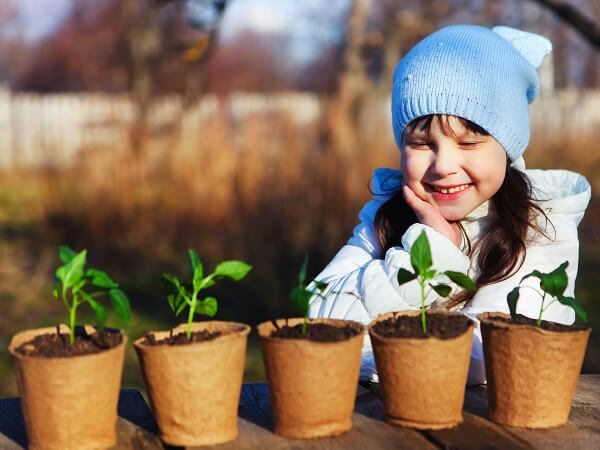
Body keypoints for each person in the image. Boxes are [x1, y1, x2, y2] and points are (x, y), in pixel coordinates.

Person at [308, 24, 591, 385]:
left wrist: (434, 264)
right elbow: (315, 322)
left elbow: (487, 359)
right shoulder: (385, 216)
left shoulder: (542, 228)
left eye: (468, 143)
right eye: (422, 143)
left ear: (507, 147)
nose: (443, 166)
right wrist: (426, 254)